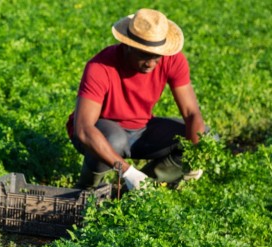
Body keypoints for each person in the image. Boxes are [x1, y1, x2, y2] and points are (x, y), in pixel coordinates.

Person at [67, 8, 207, 191]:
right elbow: (84, 129)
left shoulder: (172, 60)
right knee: (114, 139)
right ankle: (86, 191)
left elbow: (192, 113)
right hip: (105, 132)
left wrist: (194, 157)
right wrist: (127, 171)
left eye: (156, 56)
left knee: (205, 137)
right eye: (143, 55)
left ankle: (136, 190)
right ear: (127, 45)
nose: (150, 64)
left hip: (141, 130)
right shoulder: (100, 67)